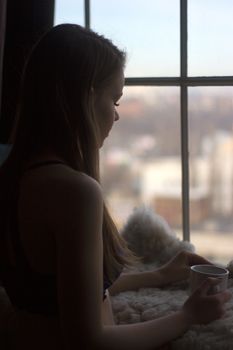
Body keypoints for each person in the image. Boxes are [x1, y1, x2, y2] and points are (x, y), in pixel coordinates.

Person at [0, 23, 231, 350]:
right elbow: (87, 339)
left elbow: (62, 293)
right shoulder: (76, 192)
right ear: (85, 97)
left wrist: (159, 275)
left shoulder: (12, 177)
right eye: (116, 100)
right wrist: (187, 317)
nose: (117, 116)